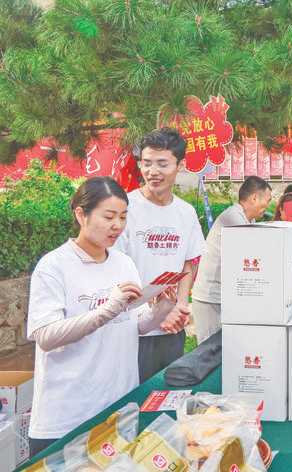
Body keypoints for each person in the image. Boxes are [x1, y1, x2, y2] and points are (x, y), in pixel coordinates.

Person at [26, 177, 187, 456]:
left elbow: (132, 325)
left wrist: (160, 310)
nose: (118, 225)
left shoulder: (123, 263)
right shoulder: (53, 266)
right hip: (68, 416)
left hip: (118, 408)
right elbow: (46, 336)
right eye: (109, 216)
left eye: (123, 217)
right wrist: (106, 310)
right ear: (81, 214)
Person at [116, 128, 205, 382]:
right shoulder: (125, 210)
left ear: (180, 165)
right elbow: (114, 267)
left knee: (168, 396)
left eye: (162, 164)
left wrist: (180, 304)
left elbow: (189, 261)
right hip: (131, 328)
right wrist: (147, 310)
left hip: (171, 326)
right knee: (132, 401)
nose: (153, 172)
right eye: (147, 164)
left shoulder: (185, 213)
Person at [191, 177, 272, 343]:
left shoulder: (247, 219)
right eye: (268, 200)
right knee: (209, 353)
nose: (268, 205)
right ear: (254, 198)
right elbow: (254, 257)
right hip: (210, 298)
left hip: (223, 297)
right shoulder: (233, 220)